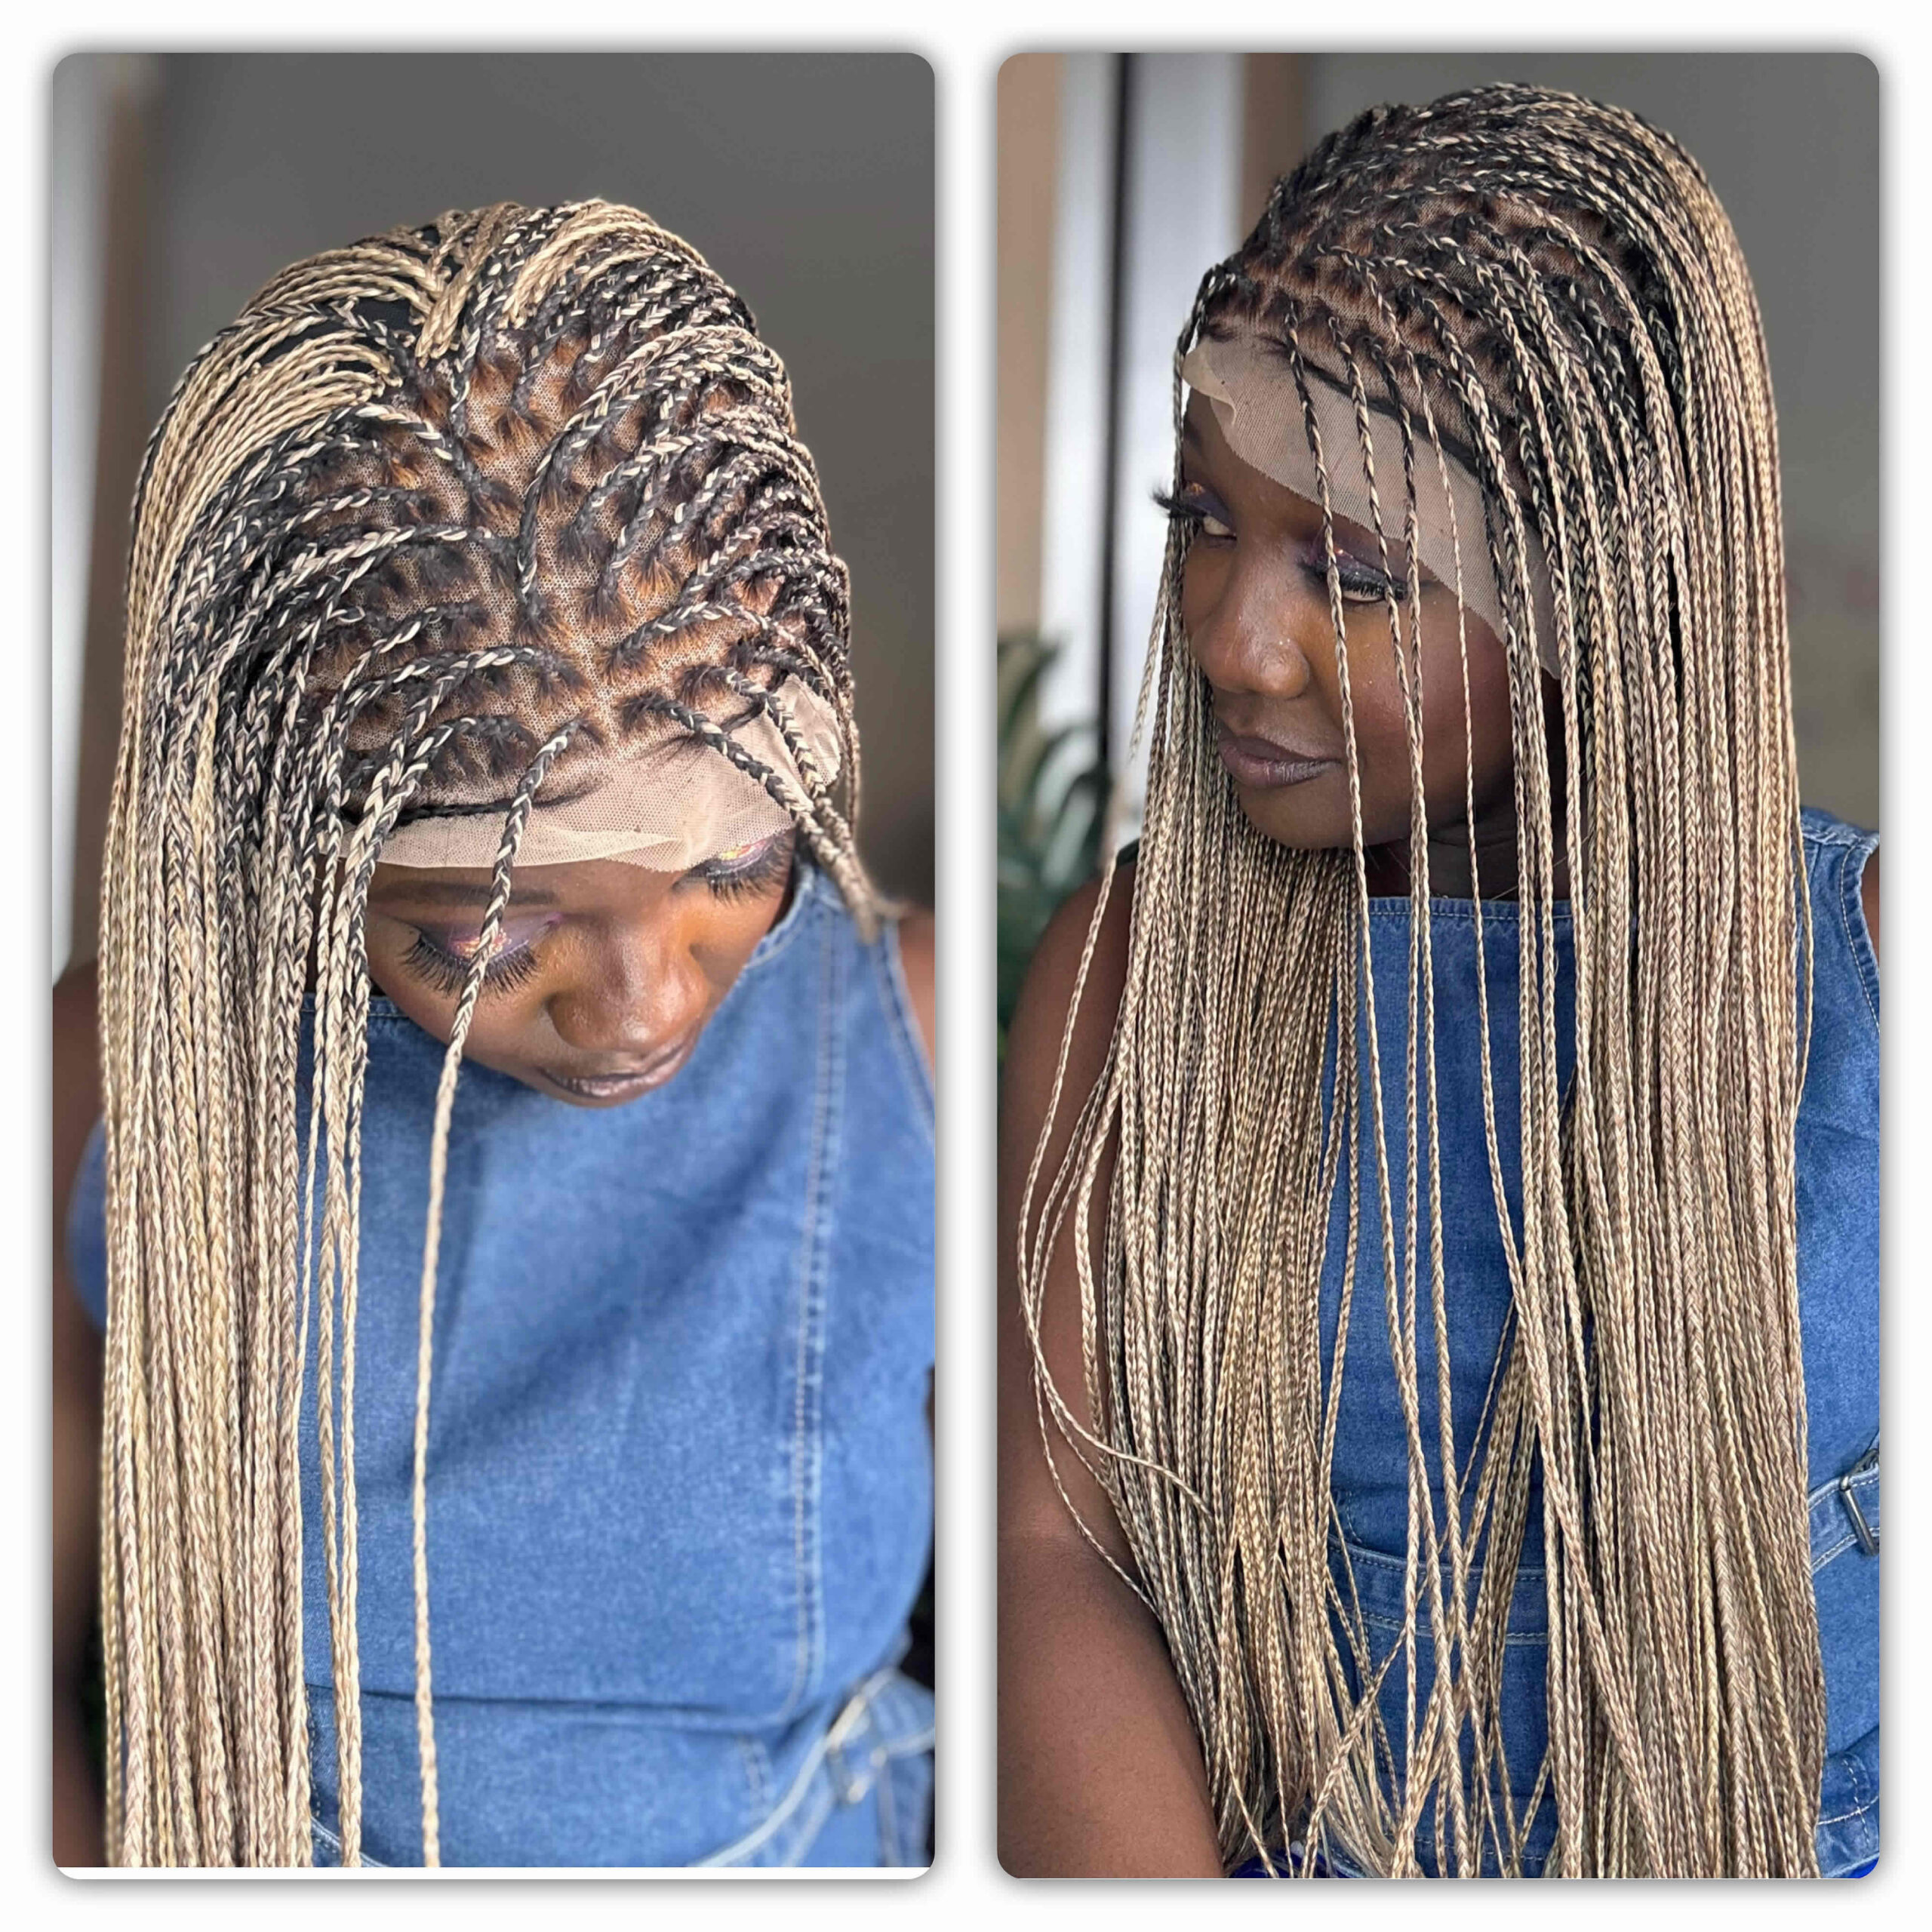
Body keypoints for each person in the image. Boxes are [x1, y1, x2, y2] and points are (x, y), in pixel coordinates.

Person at [999, 86, 1877, 1879]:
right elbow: (1048, 1549)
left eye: (1351, 570)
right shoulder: (1132, 976)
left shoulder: (1868, 968)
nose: (1230, 638)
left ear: (1595, 588)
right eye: (1198, 517)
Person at [54, 200, 935, 1869]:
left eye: (733, 868)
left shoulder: (915, 1044)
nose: (645, 1006)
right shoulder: (121, 1082)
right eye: (490, 936)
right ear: (301, 850)